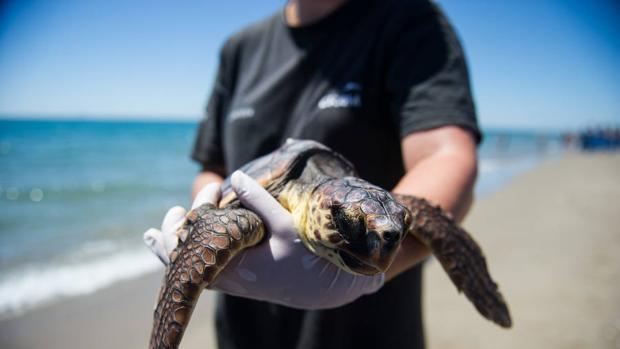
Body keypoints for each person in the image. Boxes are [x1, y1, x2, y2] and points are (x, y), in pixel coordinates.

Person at [145, 0, 480, 348]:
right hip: (246, 332)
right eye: (350, 223)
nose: (379, 250)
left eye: (390, 238)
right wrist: (204, 212)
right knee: (223, 234)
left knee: (420, 217)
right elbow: (211, 169)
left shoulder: (407, 19)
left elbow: (443, 154)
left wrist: (375, 276)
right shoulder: (239, 49)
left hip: (368, 333)